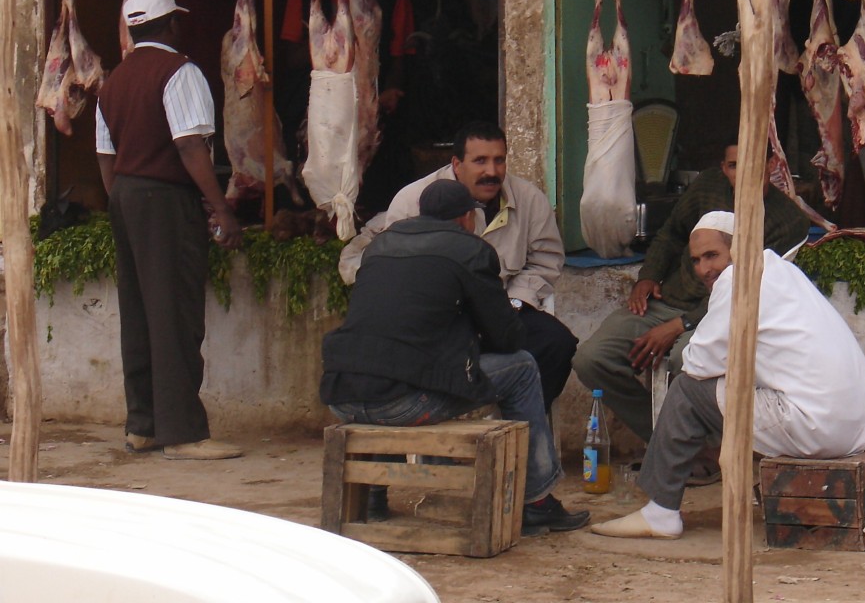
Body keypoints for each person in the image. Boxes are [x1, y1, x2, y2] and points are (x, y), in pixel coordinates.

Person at [591, 211, 865, 539]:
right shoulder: (783, 270)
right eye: (696, 260)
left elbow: (698, 363)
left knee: (685, 390)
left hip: (821, 426)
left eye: (713, 255)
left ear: (737, 248)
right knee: (735, 386)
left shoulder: (738, 278)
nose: (704, 269)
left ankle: (660, 512)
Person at [321, 179, 590, 536]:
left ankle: (372, 495)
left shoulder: (381, 246)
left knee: (390, 364)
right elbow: (505, 336)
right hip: (405, 403)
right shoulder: (470, 250)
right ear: (467, 217)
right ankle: (536, 502)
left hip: (343, 396)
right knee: (523, 366)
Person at [572, 143, 810, 449]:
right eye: (735, 165)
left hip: (722, 316)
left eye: (753, 164)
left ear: (771, 164)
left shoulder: (787, 220)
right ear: (724, 168)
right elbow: (672, 232)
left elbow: (751, 288)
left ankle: (701, 449)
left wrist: (680, 325)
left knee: (683, 361)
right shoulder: (709, 187)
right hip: (668, 301)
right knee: (592, 359)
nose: (744, 174)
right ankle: (675, 444)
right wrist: (647, 276)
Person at [96, 0, 244, 461]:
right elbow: (189, 145)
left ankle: (142, 425)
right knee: (174, 312)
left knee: (138, 311)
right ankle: (182, 434)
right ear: (171, 24)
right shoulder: (180, 72)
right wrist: (219, 205)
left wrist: (122, 197)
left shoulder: (112, 81)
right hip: (165, 198)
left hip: (125, 193)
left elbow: (105, 155)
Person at [386, 121, 577, 412]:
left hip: (504, 309)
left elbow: (545, 259)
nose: (492, 171)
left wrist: (514, 302)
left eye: (499, 160)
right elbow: (398, 274)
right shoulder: (412, 200)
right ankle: (456, 430)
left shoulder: (529, 199)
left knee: (556, 343)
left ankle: (522, 427)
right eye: (480, 161)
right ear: (456, 164)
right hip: (439, 321)